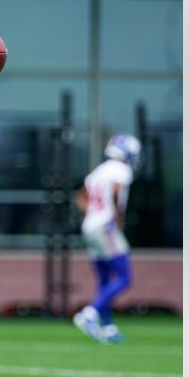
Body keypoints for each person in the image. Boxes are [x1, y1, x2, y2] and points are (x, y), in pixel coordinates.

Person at [74, 133, 141, 344]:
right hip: (105, 226)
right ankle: (89, 314)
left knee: (104, 280)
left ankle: (108, 327)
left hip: (90, 226)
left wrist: (92, 213)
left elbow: (81, 197)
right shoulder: (120, 170)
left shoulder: (98, 171)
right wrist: (118, 217)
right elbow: (115, 192)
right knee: (124, 277)